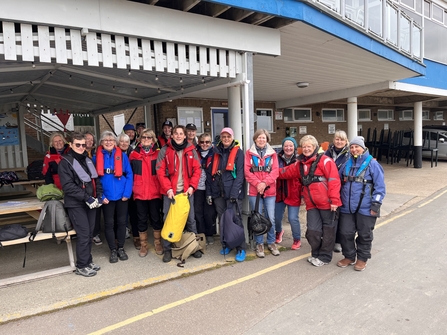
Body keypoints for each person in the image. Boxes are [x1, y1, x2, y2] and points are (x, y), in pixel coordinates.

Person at [279, 135, 342, 267]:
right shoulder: (300, 164)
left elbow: (334, 181)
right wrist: (269, 173)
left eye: (309, 146)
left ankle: (324, 257)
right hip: (312, 204)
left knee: (328, 232)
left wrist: (335, 200)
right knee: (313, 231)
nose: (306, 149)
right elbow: (286, 172)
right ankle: (315, 253)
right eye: (304, 147)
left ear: (314, 147)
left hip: (327, 204)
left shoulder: (325, 161)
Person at [337, 136, 386, 271]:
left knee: (364, 234)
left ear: (363, 148)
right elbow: (337, 180)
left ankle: (362, 259)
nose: (354, 149)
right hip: (347, 207)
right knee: (345, 233)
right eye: (352, 147)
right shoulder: (346, 163)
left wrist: (376, 204)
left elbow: (380, 187)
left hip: (366, 208)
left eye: (356, 146)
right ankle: (349, 256)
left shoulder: (373, 164)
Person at [58, 132, 103, 277]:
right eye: (78, 144)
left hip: (90, 202)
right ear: (70, 145)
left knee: (89, 233)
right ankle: (81, 266)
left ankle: (88, 261)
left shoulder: (88, 160)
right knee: (84, 234)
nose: (81, 147)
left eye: (83, 145)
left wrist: (99, 196)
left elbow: (96, 181)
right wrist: (86, 198)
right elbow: (68, 186)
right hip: (76, 204)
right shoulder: (65, 163)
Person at [156, 125, 202, 263]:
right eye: (176, 133)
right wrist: (168, 189)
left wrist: (192, 187)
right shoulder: (164, 151)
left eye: (181, 133)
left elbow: (197, 170)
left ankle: (193, 247)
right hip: (170, 193)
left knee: (190, 220)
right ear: (172, 135)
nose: (178, 135)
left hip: (187, 192)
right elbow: (160, 171)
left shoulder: (191, 150)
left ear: (184, 135)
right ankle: (167, 249)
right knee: (168, 220)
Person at [207, 128, 246, 261]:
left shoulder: (238, 153)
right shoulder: (215, 152)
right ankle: (227, 243)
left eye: (228, 136)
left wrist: (235, 193)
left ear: (232, 137)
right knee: (222, 219)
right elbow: (211, 174)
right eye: (223, 136)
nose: (226, 139)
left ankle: (240, 248)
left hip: (232, 192)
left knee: (236, 219)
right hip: (218, 192)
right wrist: (211, 193)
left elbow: (240, 175)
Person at [94, 131, 133, 263]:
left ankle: (121, 247)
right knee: (109, 224)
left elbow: (129, 174)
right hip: (107, 197)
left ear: (115, 142)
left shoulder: (122, 156)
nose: (109, 142)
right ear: (101, 143)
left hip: (122, 196)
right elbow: (94, 179)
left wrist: (127, 193)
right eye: (106, 140)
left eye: (111, 140)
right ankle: (113, 250)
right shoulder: (96, 158)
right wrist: (101, 195)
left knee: (122, 222)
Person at [244, 129, 280, 258]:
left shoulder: (273, 154)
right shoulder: (249, 154)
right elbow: (247, 172)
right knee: (257, 218)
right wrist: (258, 184)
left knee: (271, 217)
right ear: (255, 139)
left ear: (267, 140)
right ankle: (259, 243)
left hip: (269, 190)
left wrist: (264, 183)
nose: (261, 140)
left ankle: (271, 242)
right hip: (254, 191)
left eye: (264, 138)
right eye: (259, 137)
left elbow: (275, 171)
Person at [129, 129, 164, 257]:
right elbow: (130, 174)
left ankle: (157, 242)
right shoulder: (134, 154)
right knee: (141, 219)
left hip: (154, 191)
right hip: (140, 192)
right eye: (143, 137)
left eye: (149, 137)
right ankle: (143, 245)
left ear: (153, 139)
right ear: (139, 139)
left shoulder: (158, 154)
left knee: (156, 218)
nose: (146, 139)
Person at [324, 129, 350, 253]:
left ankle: (338, 241)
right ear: (333, 140)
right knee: (330, 215)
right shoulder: (327, 152)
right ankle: (329, 239)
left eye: (342, 139)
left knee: (340, 216)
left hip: (343, 188)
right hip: (328, 187)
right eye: (337, 139)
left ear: (346, 141)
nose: (339, 141)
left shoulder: (349, 154)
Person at [275, 137, 302, 250]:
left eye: (290, 145)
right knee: (276, 217)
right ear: (283, 147)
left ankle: (297, 239)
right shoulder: (276, 158)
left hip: (294, 192)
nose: (288, 148)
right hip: (279, 192)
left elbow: (298, 175)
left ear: (294, 147)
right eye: (286, 146)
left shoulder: (299, 160)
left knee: (292, 218)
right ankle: (279, 231)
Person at [195, 132, 217, 245]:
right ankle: (201, 233)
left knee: (209, 212)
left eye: (207, 142)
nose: (204, 144)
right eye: (202, 142)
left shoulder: (215, 154)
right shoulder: (194, 152)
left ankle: (209, 234)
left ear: (211, 142)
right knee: (198, 211)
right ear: (199, 142)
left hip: (210, 187)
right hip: (197, 187)